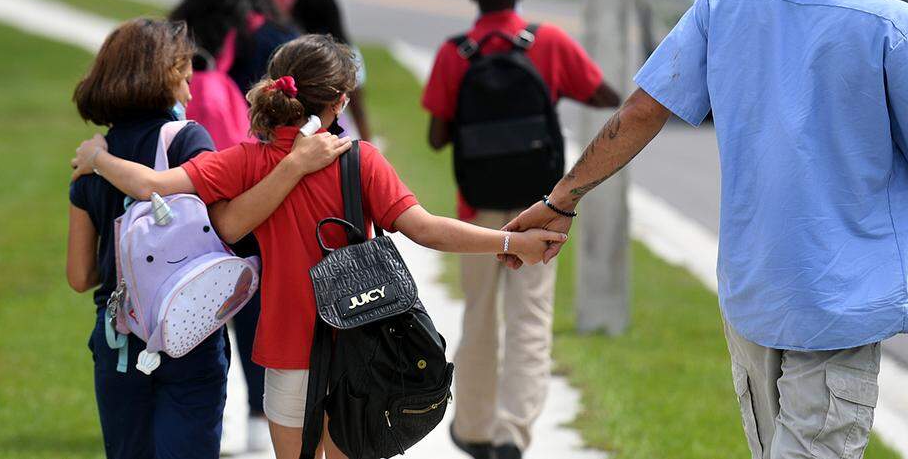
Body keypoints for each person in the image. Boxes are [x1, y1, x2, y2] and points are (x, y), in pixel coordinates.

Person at [504, 0, 908, 459]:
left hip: (753, 292)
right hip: (838, 300)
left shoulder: (723, 1)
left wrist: (562, 197)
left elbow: (638, 114)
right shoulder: (892, 24)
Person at [70, 34, 568, 459]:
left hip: (287, 351)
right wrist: (509, 240)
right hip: (364, 347)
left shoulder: (245, 161)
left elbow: (151, 184)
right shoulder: (360, 160)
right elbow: (425, 229)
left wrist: (99, 157)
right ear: (340, 102)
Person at [66, 19, 349, 459]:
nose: (190, 92)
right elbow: (225, 224)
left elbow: (80, 275)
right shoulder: (187, 140)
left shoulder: (91, 158)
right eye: (183, 78)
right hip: (190, 330)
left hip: (119, 341)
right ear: (162, 79)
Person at [421, 0, 620, 459]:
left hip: (477, 209)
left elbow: (438, 137)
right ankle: (514, 433)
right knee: (530, 318)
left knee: (480, 315)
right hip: (540, 208)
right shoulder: (547, 42)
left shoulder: (453, 52)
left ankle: (475, 428)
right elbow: (605, 95)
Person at [169, 0, 298, 450]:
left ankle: (205, 414)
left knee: (192, 295)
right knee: (255, 297)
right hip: (260, 185)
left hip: (187, 183)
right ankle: (258, 417)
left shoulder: (175, 35)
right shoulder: (275, 40)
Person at [290, 0, 372, 140]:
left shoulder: (293, 54)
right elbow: (357, 105)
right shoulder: (349, 53)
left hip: (294, 137)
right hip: (335, 135)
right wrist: (368, 143)